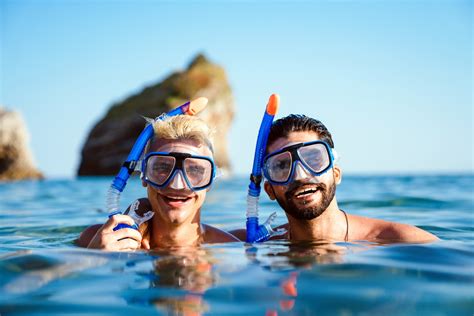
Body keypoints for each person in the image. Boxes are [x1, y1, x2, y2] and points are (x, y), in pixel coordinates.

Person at [233, 114, 438, 243]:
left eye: (313, 159)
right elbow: (201, 236)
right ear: (269, 190)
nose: (300, 175)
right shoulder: (261, 242)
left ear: (336, 173)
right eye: (281, 166)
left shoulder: (400, 240)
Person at [77, 115, 238, 250]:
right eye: (162, 167)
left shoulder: (232, 248)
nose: (177, 185)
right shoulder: (97, 239)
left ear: (210, 180)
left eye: (194, 170)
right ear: (143, 175)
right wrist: (94, 257)